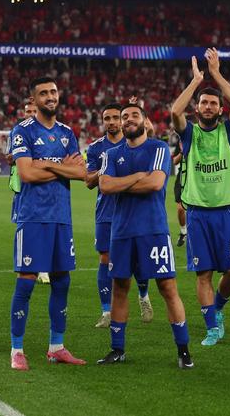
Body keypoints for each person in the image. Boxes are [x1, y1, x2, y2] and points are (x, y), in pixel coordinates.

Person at [96, 103, 193, 369]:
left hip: (153, 231)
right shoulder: (112, 153)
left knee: (167, 288)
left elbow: (156, 183)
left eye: (134, 115)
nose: (128, 119)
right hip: (121, 232)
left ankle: (183, 350)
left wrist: (122, 183)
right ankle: (117, 349)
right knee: (120, 288)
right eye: (124, 116)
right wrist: (138, 176)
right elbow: (105, 185)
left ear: (144, 120)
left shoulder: (158, 148)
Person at [8, 77, 87, 370]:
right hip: (33, 217)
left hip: (61, 218)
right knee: (27, 281)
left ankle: (57, 347)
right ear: (35, 98)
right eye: (43, 93)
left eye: (53, 92)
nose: (50, 96)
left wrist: (47, 164)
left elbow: (81, 173)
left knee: (62, 281)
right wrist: (63, 167)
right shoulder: (23, 130)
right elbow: (27, 174)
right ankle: (17, 350)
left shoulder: (67, 133)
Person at [171, 48, 230, 347]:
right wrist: (196, 81)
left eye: (214, 103)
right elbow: (175, 112)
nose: (209, 106)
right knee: (203, 274)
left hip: (226, 212)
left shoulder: (229, 132)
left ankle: (218, 308)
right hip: (198, 213)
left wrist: (216, 74)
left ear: (220, 109)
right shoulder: (189, 134)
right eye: (204, 102)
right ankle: (212, 327)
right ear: (197, 108)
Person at [85, 102, 153, 329]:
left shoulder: (134, 142)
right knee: (105, 258)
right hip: (106, 211)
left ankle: (143, 296)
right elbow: (88, 181)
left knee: (139, 258)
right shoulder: (95, 148)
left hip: (133, 208)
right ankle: (107, 311)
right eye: (107, 118)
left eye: (116, 117)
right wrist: (106, 168)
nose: (112, 122)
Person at [6, 100, 48, 283]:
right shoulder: (16, 132)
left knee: (44, 226)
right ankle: (26, 263)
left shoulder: (48, 132)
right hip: (22, 189)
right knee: (24, 227)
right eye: (27, 111)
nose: (30, 114)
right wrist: (21, 154)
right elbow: (9, 159)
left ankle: (43, 268)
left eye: (33, 111)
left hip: (42, 186)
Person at [171, 137, 188, 246]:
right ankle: (183, 232)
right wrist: (182, 151)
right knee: (180, 209)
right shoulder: (182, 140)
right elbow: (175, 161)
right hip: (182, 177)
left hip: (198, 177)